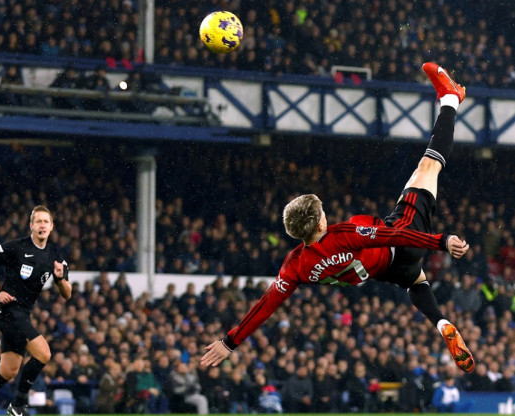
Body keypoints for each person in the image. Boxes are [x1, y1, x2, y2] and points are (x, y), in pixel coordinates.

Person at [201, 62, 475, 374]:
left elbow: (266, 304)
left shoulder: (296, 265)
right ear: (319, 222)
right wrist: (441, 241)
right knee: (428, 166)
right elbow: (393, 236)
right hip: (402, 239)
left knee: (416, 280)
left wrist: (230, 341)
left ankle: (441, 323)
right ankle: (450, 99)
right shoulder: (344, 233)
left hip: (388, 271)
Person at [0, 206, 72, 416]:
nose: (42, 225)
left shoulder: (55, 255)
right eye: (38, 221)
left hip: (23, 314)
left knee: (8, 371)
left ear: (52, 226)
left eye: (46, 222)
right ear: (31, 225)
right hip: (8, 311)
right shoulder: (15, 247)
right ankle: (18, 406)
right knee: (44, 353)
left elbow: (67, 293)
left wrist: (60, 278)